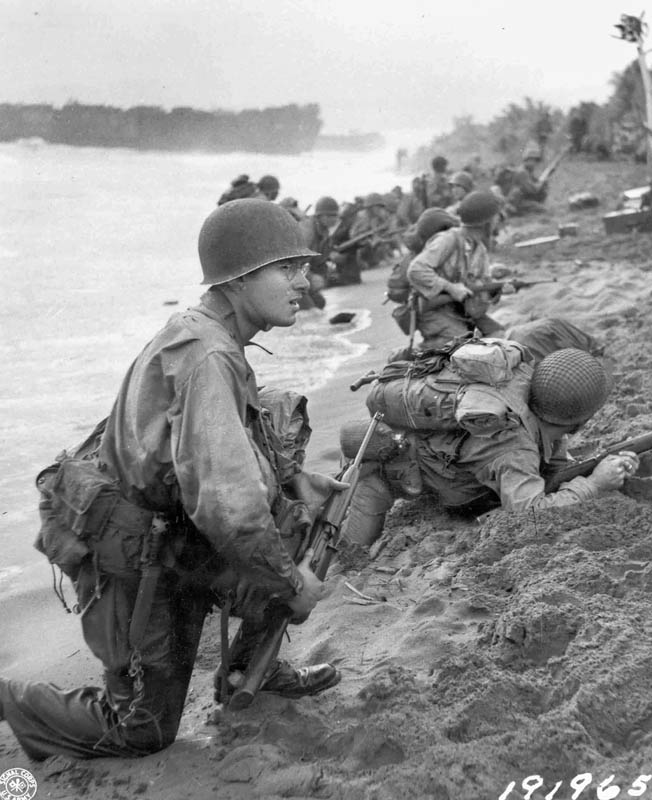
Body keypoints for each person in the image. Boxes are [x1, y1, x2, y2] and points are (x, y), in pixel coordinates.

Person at [0, 199, 344, 761]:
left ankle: (245, 671)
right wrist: (291, 585)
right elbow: (230, 510)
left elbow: (214, 453)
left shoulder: (209, 334)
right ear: (238, 279)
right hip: (137, 553)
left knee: (293, 528)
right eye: (288, 268)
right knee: (140, 730)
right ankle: (10, 699)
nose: (304, 282)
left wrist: (295, 481)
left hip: (174, 528)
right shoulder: (209, 354)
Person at [342, 345, 640, 547]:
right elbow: (532, 516)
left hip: (435, 459)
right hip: (388, 472)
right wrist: (594, 485)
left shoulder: (532, 394)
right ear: (580, 422)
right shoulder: (514, 447)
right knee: (348, 551)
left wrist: (599, 470)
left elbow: (554, 466)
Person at [406, 190, 505, 351]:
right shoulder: (448, 240)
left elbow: (482, 290)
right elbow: (415, 270)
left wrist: (494, 292)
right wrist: (451, 288)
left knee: (498, 335)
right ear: (486, 222)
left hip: (461, 311)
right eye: (495, 217)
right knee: (461, 347)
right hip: (435, 312)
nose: (497, 221)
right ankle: (414, 354)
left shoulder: (480, 250)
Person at [505, 142, 549, 216]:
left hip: (522, 200)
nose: (535, 163)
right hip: (517, 202)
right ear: (527, 160)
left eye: (535, 161)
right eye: (533, 160)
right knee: (543, 210)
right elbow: (532, 189)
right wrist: (541, 182)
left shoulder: (527, 171)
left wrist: (543, 183)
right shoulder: (522, 172)